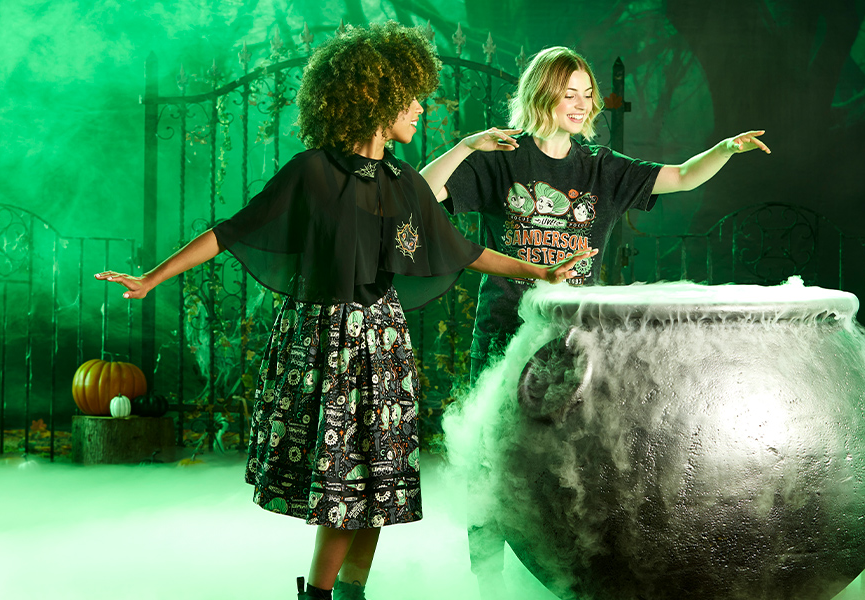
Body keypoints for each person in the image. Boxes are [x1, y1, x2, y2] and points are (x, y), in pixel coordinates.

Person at [96, 26, 595, 600]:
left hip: (382, 342)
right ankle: (320, 594)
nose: (420, 107)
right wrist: (152, 276)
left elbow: (466, 250)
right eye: (410, 98)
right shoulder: (312, 173)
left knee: (379, 487)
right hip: (326, 340)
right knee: (344, 484)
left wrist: (541, 271)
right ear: (376, 101)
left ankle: (350, 591)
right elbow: (230, 233)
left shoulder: (403, 182)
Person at [418, 45, 771, 598]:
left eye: (587, 95)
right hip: (505, 329)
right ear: (543, 95)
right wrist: (465, 146)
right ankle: (485, 579)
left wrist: (724, 149)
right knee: (491, 456)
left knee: (572, 456)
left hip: (574, 339)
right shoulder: (501, 160)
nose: (581, 105)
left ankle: (565, 571)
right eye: (569, 94)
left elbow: (679, 177)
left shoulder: (601, 168)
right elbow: (421, 193)